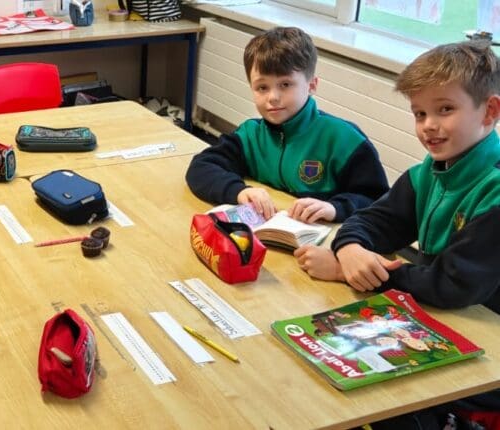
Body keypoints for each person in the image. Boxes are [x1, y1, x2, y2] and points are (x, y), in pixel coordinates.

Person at [296, 40, 500, 429]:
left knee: (375, 392)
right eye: (420, 113)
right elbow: (370, 221)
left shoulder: (495, 191)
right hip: (449, 319)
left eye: (445, 109)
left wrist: (344, 272)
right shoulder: (430, 173)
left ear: (490, 111)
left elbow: (452, 285)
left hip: (489, 352)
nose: (429, 125)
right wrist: (350, 249)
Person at [185, 26, 388, 223]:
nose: (273, 97)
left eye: (285, 84)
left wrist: (335, 208)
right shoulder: (250, 135)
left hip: (327, 239)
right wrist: (239, 192)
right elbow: (201, 168)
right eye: (262, 87)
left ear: (312, 85)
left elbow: (378, 202)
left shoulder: (344, 139)